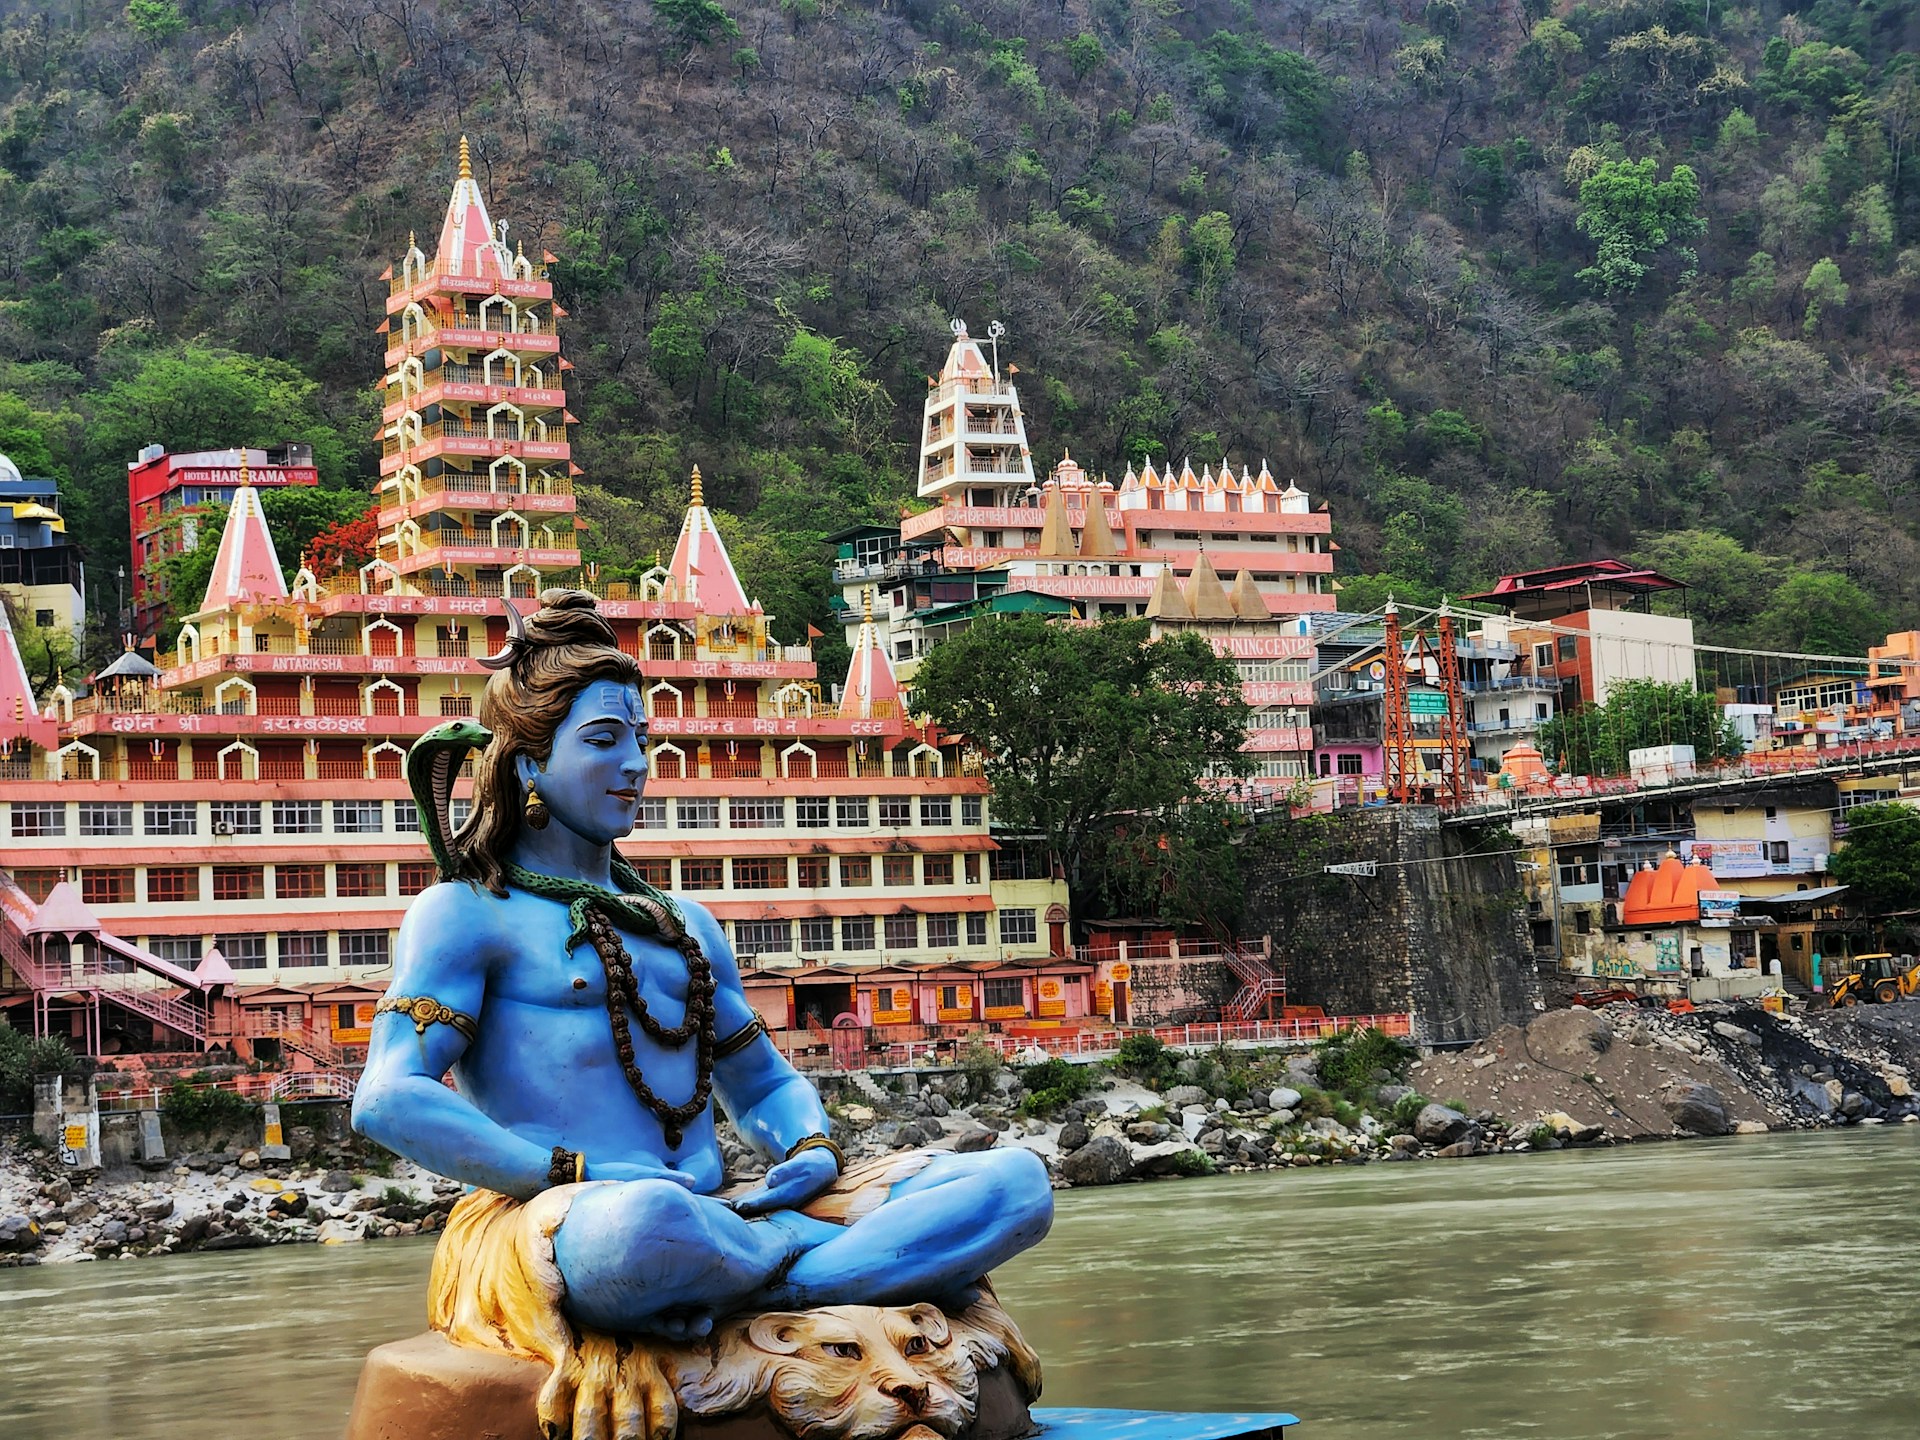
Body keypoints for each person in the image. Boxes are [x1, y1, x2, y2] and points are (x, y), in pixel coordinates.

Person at [351, 590, 1052, 1343]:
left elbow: (763, 1084)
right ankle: (833, 1269)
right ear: (529, 761)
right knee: (646, 1229)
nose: (636, 764)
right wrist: (572, 1172)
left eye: (642, 738)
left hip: (731, 1210)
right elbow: (389, 1097)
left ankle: (774, 1280)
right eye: (603, 740)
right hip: (579, 1213)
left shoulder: (686, 925)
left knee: (1015, 1185)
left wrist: (809, 1149)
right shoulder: (467, 911)